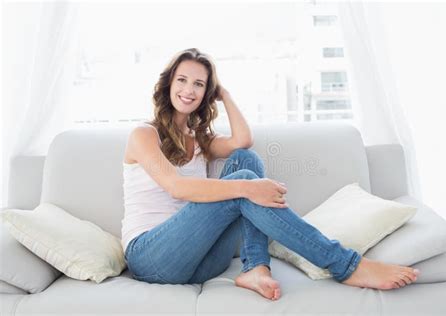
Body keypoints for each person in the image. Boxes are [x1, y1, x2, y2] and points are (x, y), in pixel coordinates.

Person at [121, 48, 420, 301]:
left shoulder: (199, 140)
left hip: (199, 260)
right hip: (151, 257)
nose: (189, 90)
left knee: (245, 160)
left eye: (199, 84)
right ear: (168, 84)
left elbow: (242, 140)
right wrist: (246, 189)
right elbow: (176, 187)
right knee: (246, 182)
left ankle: (255, 268)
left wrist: (223, 93)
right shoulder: (144, 135)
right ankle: (347, 265)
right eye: (182, 80)